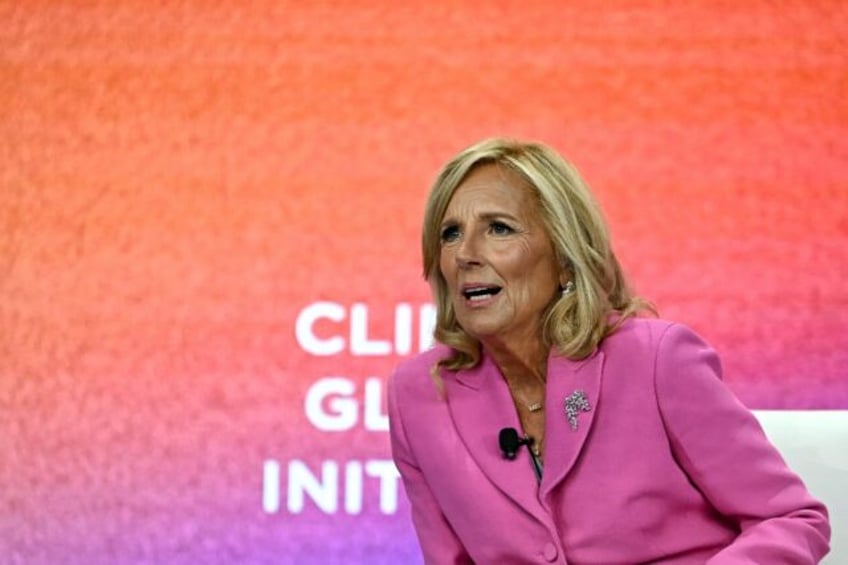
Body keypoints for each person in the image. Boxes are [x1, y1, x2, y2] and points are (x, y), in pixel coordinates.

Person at [387, 138, 830, 564]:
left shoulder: (657, 360)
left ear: (564, 255)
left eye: (498, 229)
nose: (465, 254)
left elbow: (792, 519)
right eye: (449, 234)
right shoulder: (420, 397)